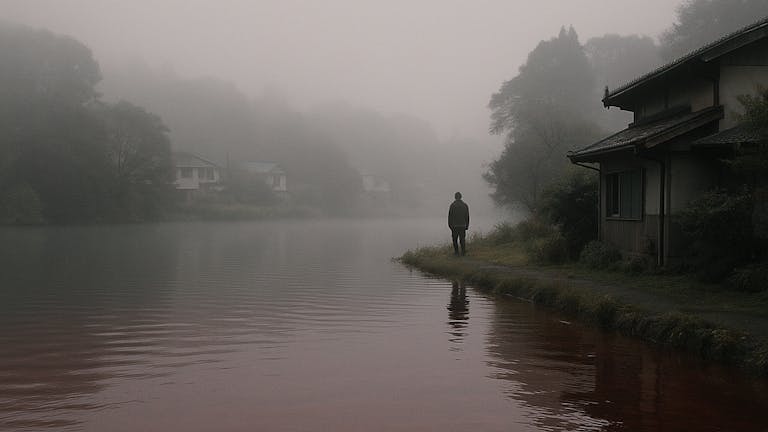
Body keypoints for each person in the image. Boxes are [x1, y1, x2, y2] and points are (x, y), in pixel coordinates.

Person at [448, 192, 469, 256]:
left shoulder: (452, 205)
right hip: (462, 225)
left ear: (455, 197)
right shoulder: (465, 205)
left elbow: (450, 216)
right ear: (461, 197)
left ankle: (456, 252)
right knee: (462, 239)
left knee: (455, 239)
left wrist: (450, 225)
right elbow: (467, 216)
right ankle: (463, 252)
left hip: (454, 226)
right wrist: (467, 225)